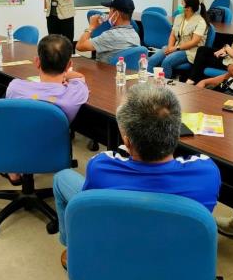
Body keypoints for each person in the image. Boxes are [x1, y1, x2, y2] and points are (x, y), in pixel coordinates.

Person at [52, 84, 221, 269]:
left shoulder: (100, 167)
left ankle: (75, 248)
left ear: (127, 141)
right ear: (176, 131)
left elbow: (89, 203)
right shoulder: (207, 173)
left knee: (61, 178)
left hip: (117, 248)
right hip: (172, 263)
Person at [4, 34, 89, 185]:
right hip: (53, 149)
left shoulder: (15, 87)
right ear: (69, 63)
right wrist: (67, 74)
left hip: (18, 145)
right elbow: (80, 78)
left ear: (37, 62)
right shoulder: (75, 93)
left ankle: (14, 171)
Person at [186, 0, 233, 85]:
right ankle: (194, 80)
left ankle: (192, 80)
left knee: (202, 55)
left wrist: (226, 48)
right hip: (232, 57)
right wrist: (225, 50)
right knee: (203, 51)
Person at [147, 0, 208, 78]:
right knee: (152, 60)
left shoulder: (200, 21)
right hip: (175, 47)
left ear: (189, 8)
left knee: (166, 62)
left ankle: (164, 88)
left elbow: (194, 42)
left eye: (182, 3)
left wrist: (175, 48)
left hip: (190, 51)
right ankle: (147, 86)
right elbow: (172, 35)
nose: (180, 5)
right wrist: (170, 47)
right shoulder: (179, 17)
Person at [75, 0, 140, 63]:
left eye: (110, 11)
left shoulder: (110, 36)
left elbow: (80, 46)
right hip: (125, 71)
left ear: (116, 14)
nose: (108, 15)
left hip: (106, 72)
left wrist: (91, 26)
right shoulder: (136, 36)